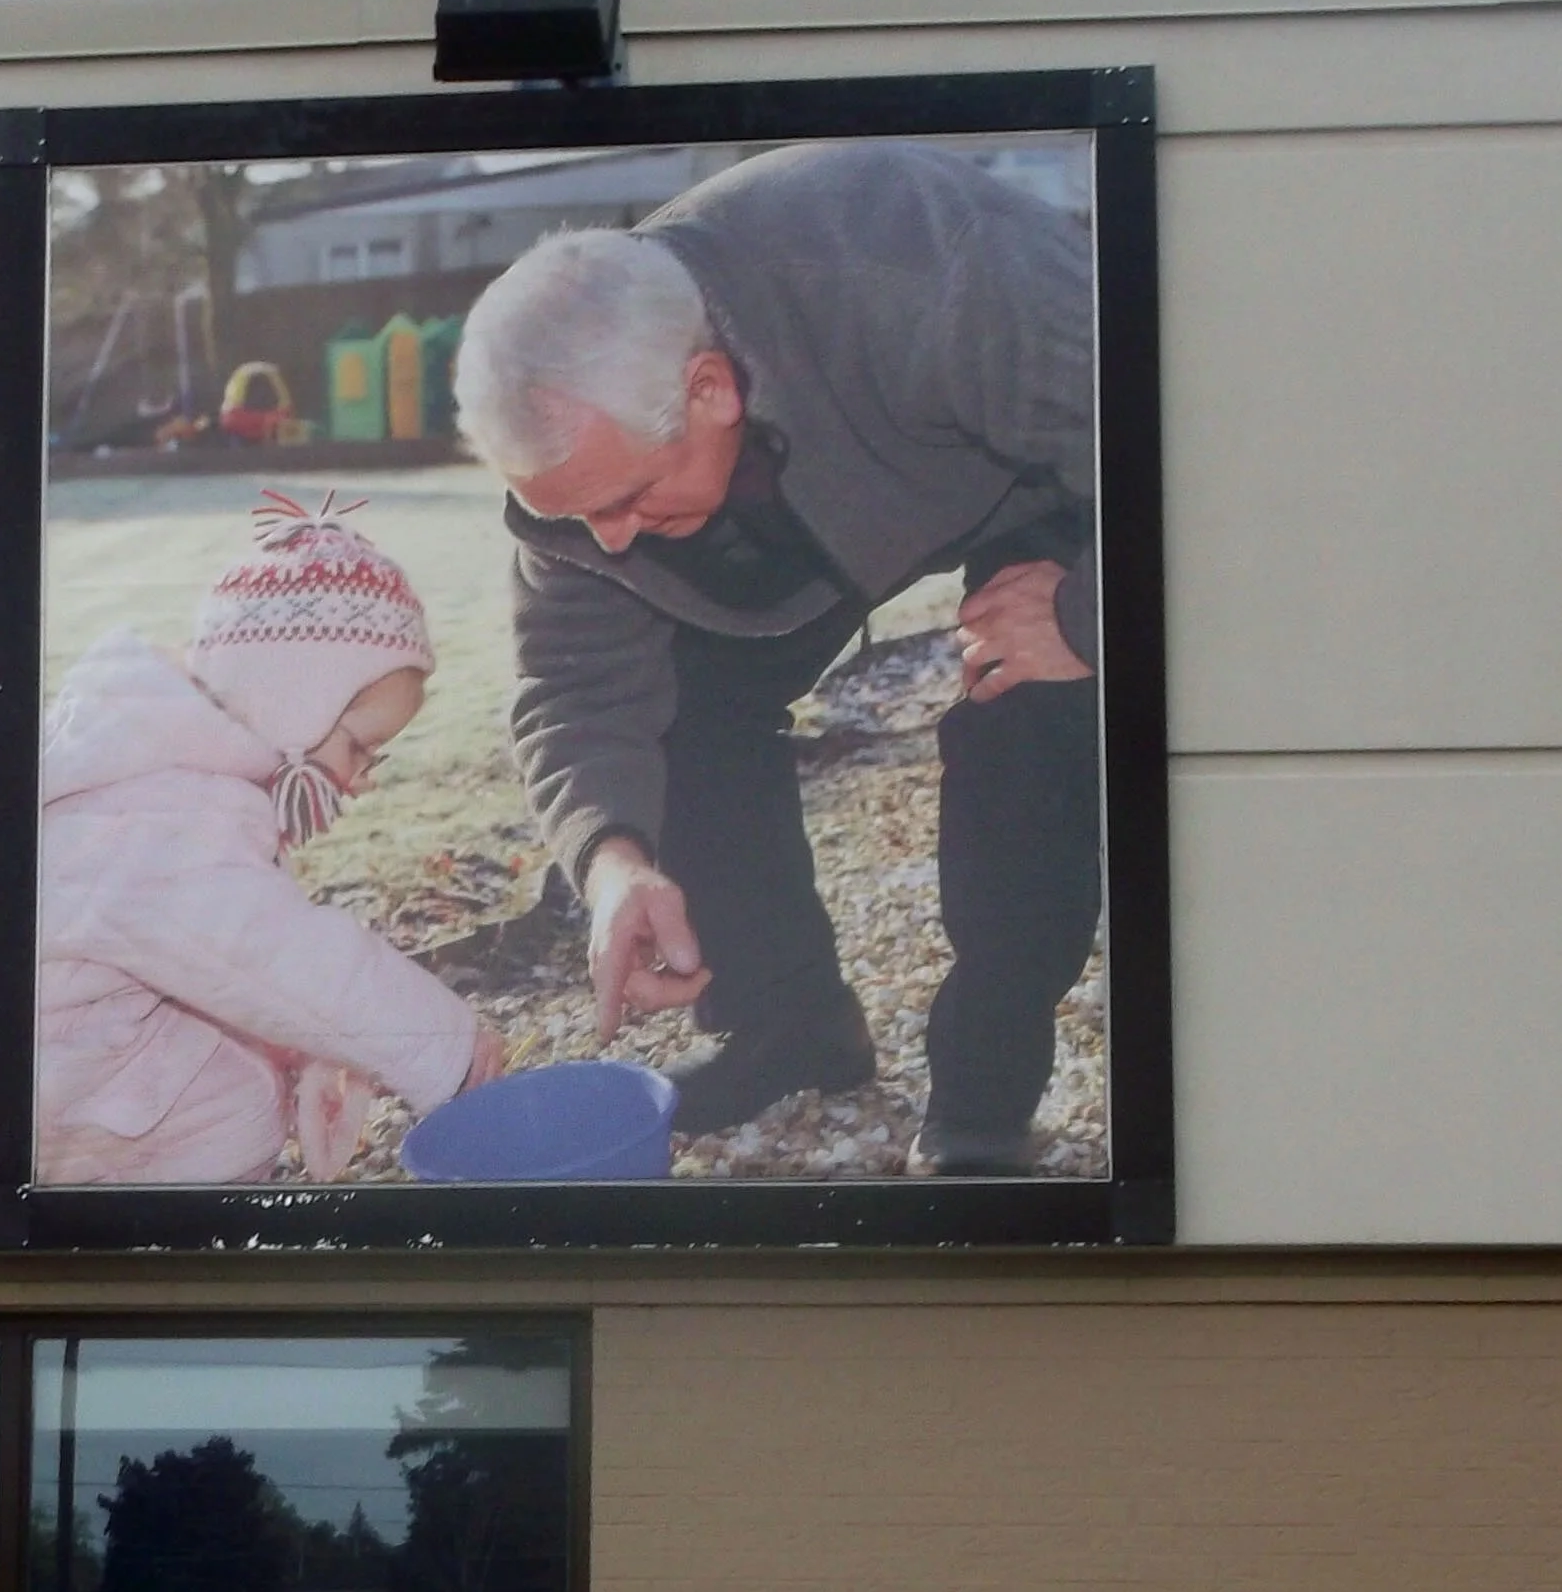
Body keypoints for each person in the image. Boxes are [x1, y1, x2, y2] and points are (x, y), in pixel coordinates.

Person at [453, 140, 1102, 1175]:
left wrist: (1082, 613)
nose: (604, 542)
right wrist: (612, 861)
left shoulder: (930, 264)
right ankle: (791, 1027)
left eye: (622, 500)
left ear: (709, 389)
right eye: (573, 514)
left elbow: (1195, 439)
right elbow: (573, 687)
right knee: (673, 711)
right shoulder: (590, 488)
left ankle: (984, 1093)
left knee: (1018, 705)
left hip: (1054, 471)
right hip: (801, 512)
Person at [35, 494, 502, 1185]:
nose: (365, 777)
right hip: (52, 1081)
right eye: (360, 745)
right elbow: (278, 955)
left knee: (243, 1057)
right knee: (233, 1110)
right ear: (294, 700)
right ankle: (159, 1245)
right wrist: (447, 1047)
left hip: (73, 1038)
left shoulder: (160, 755)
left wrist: (300, 1040)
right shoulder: (168, 816)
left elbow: (218, 954)